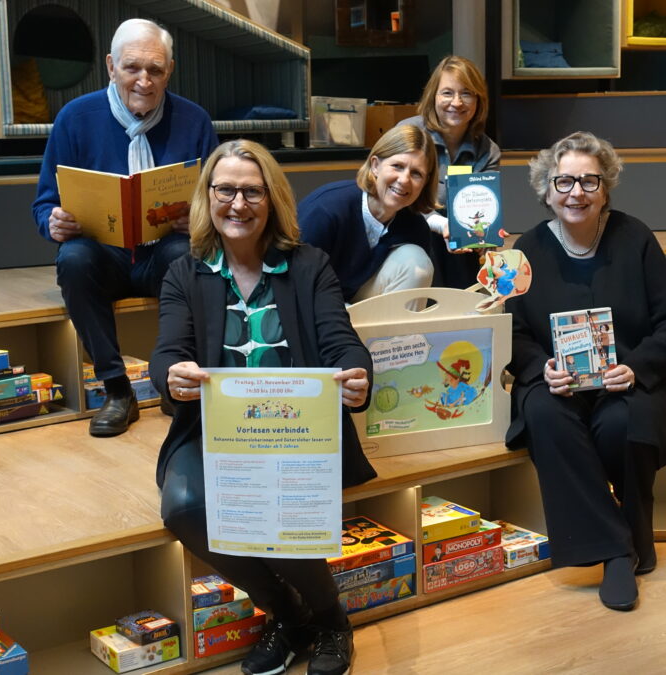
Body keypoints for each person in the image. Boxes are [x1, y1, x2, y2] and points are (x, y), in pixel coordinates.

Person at [151, 139, 376, 675]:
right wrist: (172, 377)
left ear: (272, 199)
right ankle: (291, 614)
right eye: (225, 190)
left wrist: (357, 373)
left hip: (297, 432)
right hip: (214, 431)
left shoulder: (310, 266)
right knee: (183, 506)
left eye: (252, 192)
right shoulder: (185, 271)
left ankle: (332, 621)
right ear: (208, 196)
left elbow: (341, 340)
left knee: (279, 501)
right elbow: (167, 351)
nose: (238, 204)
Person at [505, 131, 666, 611]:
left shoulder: (635, 238)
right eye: (564, 181)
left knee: (622, 423)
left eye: (590, 181)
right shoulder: (527, 250)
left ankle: (620, 544)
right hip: (558, 384)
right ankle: (620, 549)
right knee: (543, 414)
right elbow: (513, 333)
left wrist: (635, 367)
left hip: (627, 379)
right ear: (547, 189)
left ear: (605, 189)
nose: (577, 193)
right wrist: (540, 367)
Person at [32, 18, 219, 437]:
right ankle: (117, 390)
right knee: (73, 258)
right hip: (104, 255)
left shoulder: (194, 121)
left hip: (164, 254)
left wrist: (200, 219)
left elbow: (220, 198)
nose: (144, 81)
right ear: (111, 66)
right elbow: (44, 203)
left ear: (170, 71)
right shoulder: (75, 118)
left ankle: (175, 380)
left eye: (155, 70)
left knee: (188, 254)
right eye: (132, 68)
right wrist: (53, 221)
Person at [297, 124, 439, 306]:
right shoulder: (325, 210)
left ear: (425, 182)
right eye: (397, 166)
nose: (404, 180)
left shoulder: (415, 227)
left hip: (360, 303)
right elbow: (296, 284)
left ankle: (399, 327)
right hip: (313, 303)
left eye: (416, 173)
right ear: (375, 165)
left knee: (417, 264)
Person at [398, 55, 502, 289]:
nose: (457, 102)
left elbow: (481, 210)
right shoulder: (409, 134)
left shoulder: (488, 151)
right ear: (433, 96)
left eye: (466, 93)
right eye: (447, 93)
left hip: (458, 249)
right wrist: (439, 223)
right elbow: (395, 198)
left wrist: (487, 235)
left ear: (478, 100)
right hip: (408, 237)